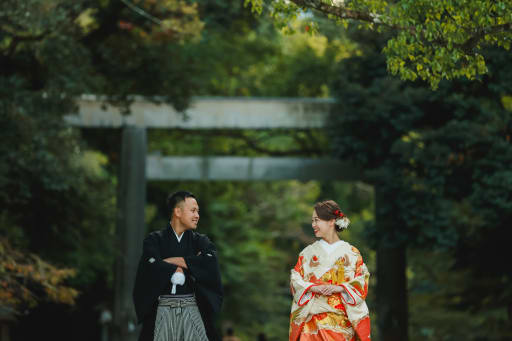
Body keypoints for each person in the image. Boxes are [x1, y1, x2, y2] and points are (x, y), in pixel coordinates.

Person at [133, 191, 223, 341]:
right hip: (162, 309)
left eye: (198, 211)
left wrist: (171, 261)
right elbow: (151, 264)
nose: (197, 215)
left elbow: (209, 261)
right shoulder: (154, 240)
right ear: (178, 211)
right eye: (193, 210)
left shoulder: (200, 241)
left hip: (191, 308)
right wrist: (190, 263)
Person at [289, 200, 371, 341]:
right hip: (311, 325)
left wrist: (339, 288)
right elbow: (295, 280)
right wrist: (313, 288)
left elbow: (362, 281)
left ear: (331, 221)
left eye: (317, 220)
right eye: (312, 221)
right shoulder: (307, 253)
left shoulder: (352, 253)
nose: (313, 225)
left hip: (341, 325)